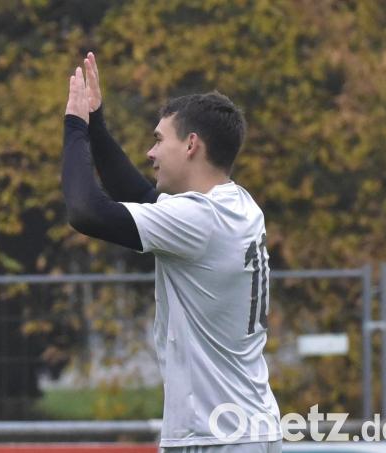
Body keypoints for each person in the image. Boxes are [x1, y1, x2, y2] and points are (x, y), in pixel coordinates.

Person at [62, 52, 281, 452]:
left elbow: (85, 211)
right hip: (244, 429)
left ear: (192, 144)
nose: (151, 152)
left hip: (217, 436)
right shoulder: (237, 205)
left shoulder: (202, 219)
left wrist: (75, 127)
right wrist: (97, 127)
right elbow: (142, 198)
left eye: (160, 139)